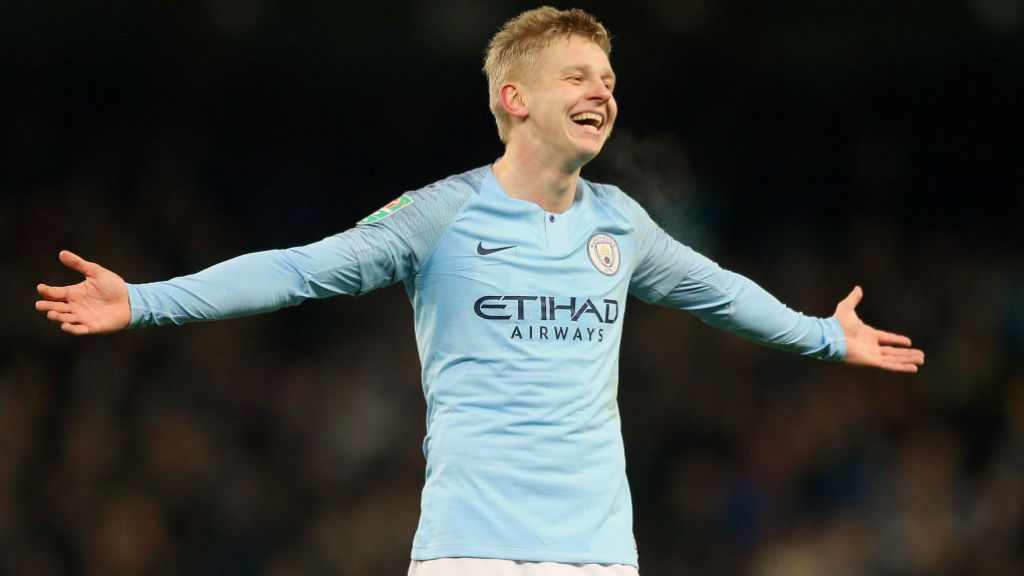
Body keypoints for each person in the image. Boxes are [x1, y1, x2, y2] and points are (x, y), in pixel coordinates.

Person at [35, 6, 924, 576]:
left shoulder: (621, 224)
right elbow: (298, 269)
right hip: (472, 553)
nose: (603, 92)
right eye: (579, 76)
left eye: (610, 80)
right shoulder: (440, 216)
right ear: (516, 97)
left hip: (601, 560)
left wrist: (821, 334)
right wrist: (144, 299)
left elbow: (720, 291)